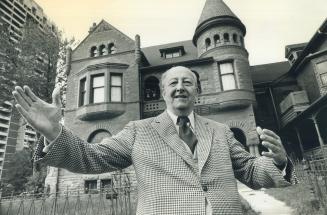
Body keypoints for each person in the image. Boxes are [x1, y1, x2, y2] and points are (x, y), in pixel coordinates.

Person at [12, 66, 297, 214]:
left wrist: (280, 163)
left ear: (196, 91)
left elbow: (250, 170)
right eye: (173, 83)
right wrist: (54, 131)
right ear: (163, 93)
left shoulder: (220, 131)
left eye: (187, 82)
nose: (180, 87)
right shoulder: (138, 131)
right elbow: (90, 156)